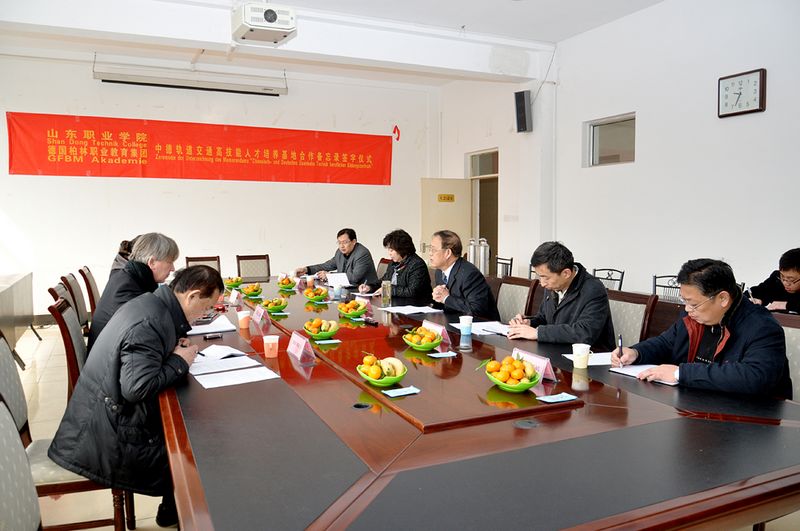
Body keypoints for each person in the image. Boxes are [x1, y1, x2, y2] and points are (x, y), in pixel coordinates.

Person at [48, 265, 222, 527]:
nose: (205, 315)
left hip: (102, 417)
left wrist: (173, 350)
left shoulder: (152, 304)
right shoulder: (151, 323)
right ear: (192, 296)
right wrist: (179, 361)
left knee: (193, 429)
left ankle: (172, 509)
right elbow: (137, 388)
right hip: (105, 438)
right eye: (207, 307)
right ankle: (189, 517)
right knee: (198, 449)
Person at [612, 258, 792, 398]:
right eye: (685, 301)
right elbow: (666, 343)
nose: (687, 309)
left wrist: (680, 373)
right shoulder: (694, 317)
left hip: (751, 419)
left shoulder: (761, 327)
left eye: (693, 304)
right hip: (700, 405)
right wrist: (636, 353)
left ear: (723, 298)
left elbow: (755, 377)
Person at [507, 241, 615, 351]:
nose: (542, 283)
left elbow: (585, 332)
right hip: (556, 350)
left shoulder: (593, 289)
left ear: (566, 273)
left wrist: (538, 333)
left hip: (590, 356)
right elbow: (544, 318)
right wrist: (528, 322)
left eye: (546, 277)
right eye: (539, 276)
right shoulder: (553, 285)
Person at [88, 232, 180, 352]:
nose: (173, 268)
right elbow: (148, 331)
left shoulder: (130, 277)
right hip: (112, 359)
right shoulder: (128, 289)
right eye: (170, 262)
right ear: (152, 262)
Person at [429, 230, 500, 320]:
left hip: (481, 324)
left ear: (448, 253)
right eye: (430, 249)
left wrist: (446, 298)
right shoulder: (439, 272)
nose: (430, 253)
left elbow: (477, 310)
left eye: (434, 250)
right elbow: (445, 306)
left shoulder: (469, 274)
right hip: (454, 321)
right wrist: (436, 298)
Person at [359, 229, 431, 304]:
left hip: (415, 306)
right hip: (396, 304)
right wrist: (369, 287)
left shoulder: (417, 264)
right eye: (388, 250)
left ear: (402, 249)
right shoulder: (393, 263)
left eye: (391, 250)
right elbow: (384, 281)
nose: (389, 253)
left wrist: (388, 289)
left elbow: (412, 291)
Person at [295, 228, 380, 290]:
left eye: (345, 242)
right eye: (339, 243)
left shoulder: (362, 253)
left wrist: (329, 276)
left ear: (354, 241)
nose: (341, 246)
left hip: (364, 291)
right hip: (346, 290)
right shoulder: (340, 252)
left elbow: (354, 277)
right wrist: (307, 269)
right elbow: (327, 265)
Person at [749, 248, 800, 314]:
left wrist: (786, 305)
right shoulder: (776, 279)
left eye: (791, 280)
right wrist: (756, 299)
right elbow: (758, 291)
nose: (785, 283)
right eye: (782, 277)